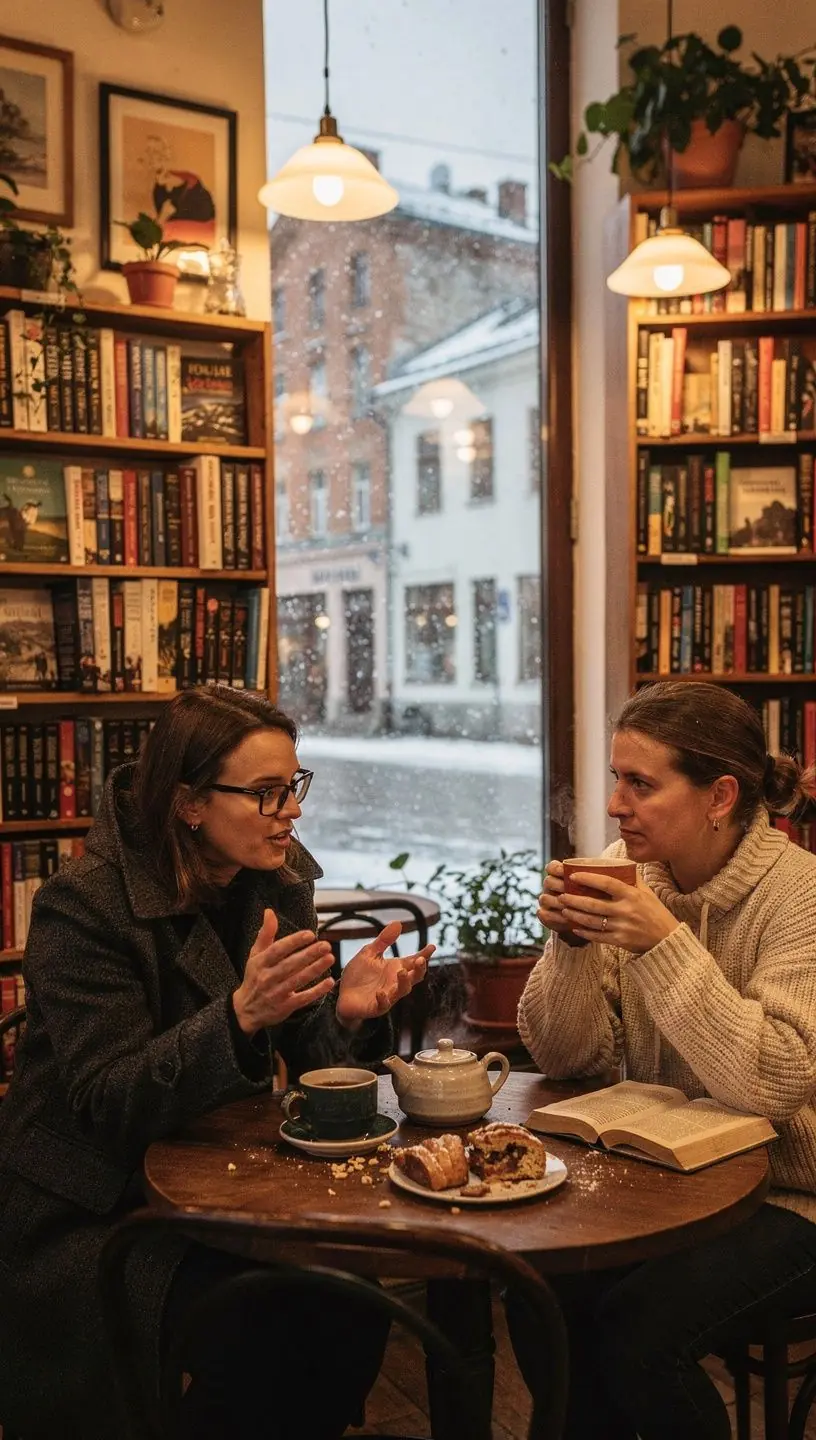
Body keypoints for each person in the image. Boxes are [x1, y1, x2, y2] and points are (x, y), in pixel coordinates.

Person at [0, 685, 433, 1440]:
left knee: (351, 1300)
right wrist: (237, 1018)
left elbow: (312, 1060)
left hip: (220, 1181)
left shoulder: (275, 877)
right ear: (191, 804)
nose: (290, 813)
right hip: (93, 1204)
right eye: (266, 794)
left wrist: (353, 1016)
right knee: (262, 1328)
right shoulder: (84, 906)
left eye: (293, 787)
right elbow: (108, 1101)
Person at [513, 680, 816, 1440]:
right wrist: (571, 946)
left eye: (640, 784)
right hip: (664, 1179)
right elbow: (562, 1054)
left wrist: (662, 944)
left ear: (719, 795)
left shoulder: (800, 896)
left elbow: (774, 1081)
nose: (616, 805)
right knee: (537, 1287)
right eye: (617, 778)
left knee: (640, 1334)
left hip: (791, 1194)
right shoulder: (630, 872)